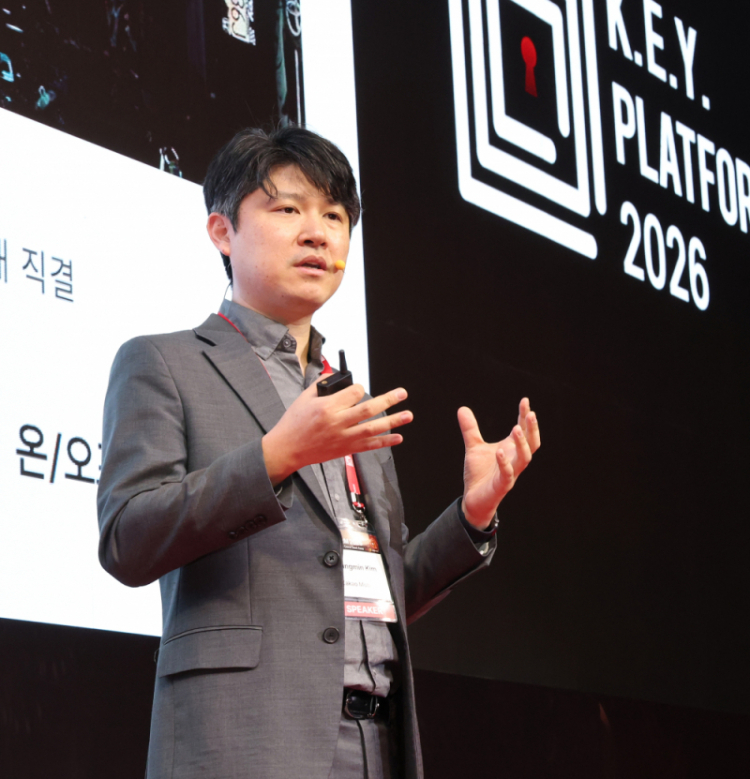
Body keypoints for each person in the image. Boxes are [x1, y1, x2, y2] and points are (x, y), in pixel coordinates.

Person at [97, 126, 540, 779]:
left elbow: (381, 590)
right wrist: (274, 457)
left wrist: (472, 515)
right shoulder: (163, 363)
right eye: (288, 209)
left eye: (335, 216)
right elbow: (126, 539)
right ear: (222, 231)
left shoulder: (348, 397)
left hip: (379, 741)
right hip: (247, 741)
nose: (318, 233)